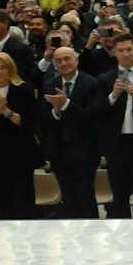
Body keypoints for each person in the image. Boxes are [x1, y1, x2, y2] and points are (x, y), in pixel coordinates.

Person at [41, 43, 104, 219]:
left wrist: (67, 104)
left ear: (76, 60)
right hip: (59, 151)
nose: (63, 63)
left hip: (85, 151)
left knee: (85, 196)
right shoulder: (50, 84)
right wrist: (56, 111)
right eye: (58, 61)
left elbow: (92, 117)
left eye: (67, 58)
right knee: (67, 197)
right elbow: (43, 119)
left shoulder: (92, 83)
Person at [0, 52, 43, 219]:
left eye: (3, 67)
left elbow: (28, 124)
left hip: (21, 151)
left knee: (24, 197)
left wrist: (6, 111)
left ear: (11, 69)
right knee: (3, 198)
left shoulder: (24, 90)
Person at [99, 35, 133, 218]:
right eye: (121, 50)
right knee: (119, 193)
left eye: (128, 49)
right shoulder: (105, 79)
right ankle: (122, 235)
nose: (125, 54)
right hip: (116, 144)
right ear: (114, 53)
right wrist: (113, 96)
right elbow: (96, 112)